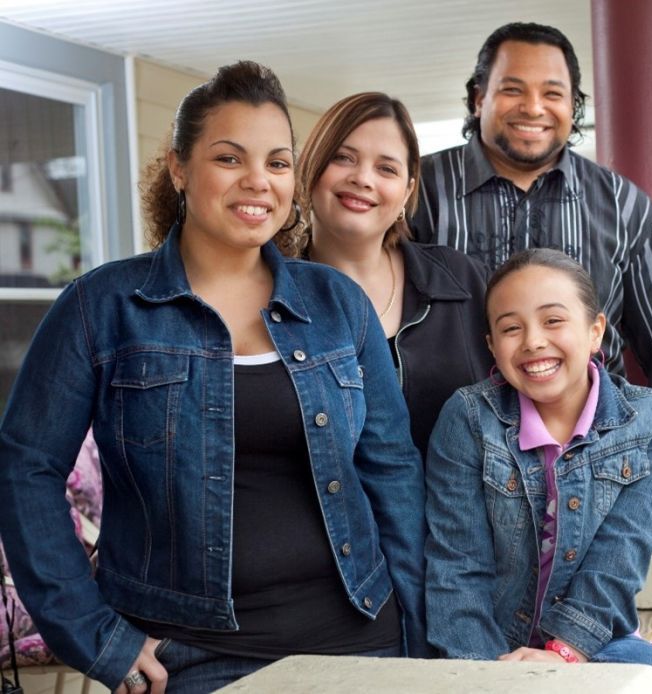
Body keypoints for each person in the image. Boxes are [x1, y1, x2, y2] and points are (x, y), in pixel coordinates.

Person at [0, 61, 427, 694]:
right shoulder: (102, 307)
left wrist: (422, 639)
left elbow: (391, 472)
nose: (259, 181)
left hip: (363, 637)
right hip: (189, 655)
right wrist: (94, 636)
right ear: (179, 168)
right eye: (230, 158)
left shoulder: (338, 303)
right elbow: (24, 469)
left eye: (278, 164)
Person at [410, 21, 652, 565]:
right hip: (446, 485)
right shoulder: (419, 195)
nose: (533, 107)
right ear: (479, 97)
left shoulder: (621, 207)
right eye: (512, 88)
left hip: (588, 491)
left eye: (553, 93)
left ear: (574, 106)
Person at [425, 248, 652, 693]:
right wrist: (484, 673)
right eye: (511, 328)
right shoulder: (469, 417)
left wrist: (564, 650)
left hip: (595, 638)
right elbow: (457, 565)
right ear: (491, 344)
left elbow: (621, 553)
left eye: (553, 321)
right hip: (491, 640)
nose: (532, 341)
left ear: (594, 331)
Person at [298, 92, 491, 456]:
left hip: (463, 510)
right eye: (343, 158)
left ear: (407, 191)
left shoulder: (463, 281)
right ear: (311, 167)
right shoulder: (270, 293)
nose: (362, 178)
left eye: (386, 168)